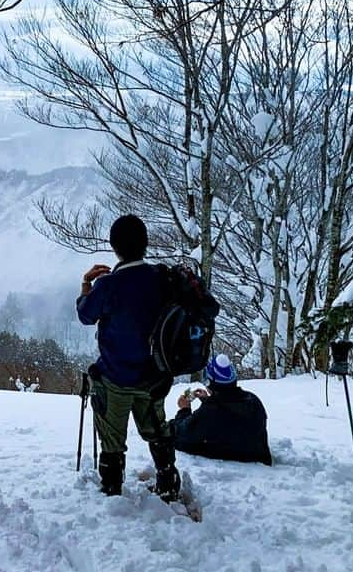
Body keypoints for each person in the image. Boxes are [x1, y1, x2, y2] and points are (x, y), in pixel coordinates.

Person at [77, 214, 181, 501]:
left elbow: (86, 315)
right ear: (145, 244)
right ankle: (168, 481)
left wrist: (87, 284)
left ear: (115, 247)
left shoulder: (109, 285)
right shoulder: (162, 279)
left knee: (112, 439)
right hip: (153, 377)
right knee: (157, 432)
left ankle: (112, 490)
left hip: (115, 377)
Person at [171, 354, 272, 466]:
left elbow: (181, 434)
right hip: (257, 456)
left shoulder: (211, 411)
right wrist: (208, 400)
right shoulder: (252, 399)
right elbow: (227, 410)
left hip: (241, 462)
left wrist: (184, 410)